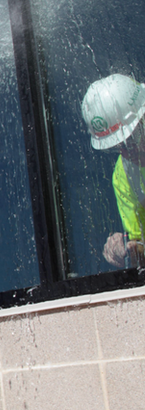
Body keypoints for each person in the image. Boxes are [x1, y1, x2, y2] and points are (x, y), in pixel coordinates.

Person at [82, 73, 145, 268]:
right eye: (118, 147)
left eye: (130, 139)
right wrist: (128, 248)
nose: (127, 152)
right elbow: (141, 243)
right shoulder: (124, 176)